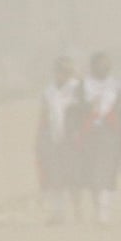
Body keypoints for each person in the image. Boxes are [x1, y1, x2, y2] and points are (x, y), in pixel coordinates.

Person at [35, 56, 85, 224]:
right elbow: (44, 114)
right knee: (55, 176)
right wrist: (40, 137)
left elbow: (84, 109)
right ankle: (58, 213)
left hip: (71, 139)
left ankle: (78, 211)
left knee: (73, 177)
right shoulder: (48, 91)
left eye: (66, 72)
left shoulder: (76, 89)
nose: (62, 75)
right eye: (60, 71)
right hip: (53, 138)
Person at [82, 51, 121, 224]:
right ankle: (97, 209)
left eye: (106, 64)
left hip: (110, 133)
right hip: (90, 132)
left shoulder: (116, 85)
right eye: (100, 64)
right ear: (93, 66)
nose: (104, 67)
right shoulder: (83, 85)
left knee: (108, 172)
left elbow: (120, 113)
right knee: (93, 172)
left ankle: (104, 213)